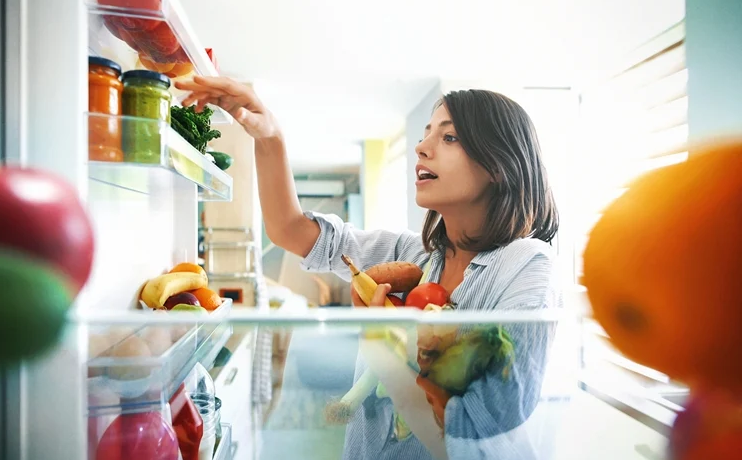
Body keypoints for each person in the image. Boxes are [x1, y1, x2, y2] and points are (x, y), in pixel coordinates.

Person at [176, 76, 562, 459]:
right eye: (426, 133)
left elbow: (474, 433)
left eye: (448, 138)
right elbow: (289, 229)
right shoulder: (413, 254)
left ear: (498, 164)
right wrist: (269, 135)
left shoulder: (527, 265)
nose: (421, 146)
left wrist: (380, 345)